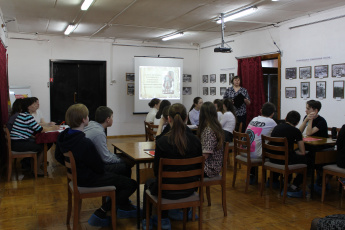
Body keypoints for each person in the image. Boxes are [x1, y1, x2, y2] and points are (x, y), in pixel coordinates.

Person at [54, 104, 137, 227]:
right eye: (87, 116)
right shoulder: (84, 143)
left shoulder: (63, 136)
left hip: (80, 176)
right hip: (89, 178)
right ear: (84, 119)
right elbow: (99, 168)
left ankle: (118, 204)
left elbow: (58, 156)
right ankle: (102, 212)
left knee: (120, 173)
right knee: (131, 184)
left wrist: (75, 168)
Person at [142, 103, 202, 230]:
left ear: (168, 119)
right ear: (186, 118)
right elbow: (198, 169)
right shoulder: (196, 141)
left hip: (166, 191)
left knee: (149, 182)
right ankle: (182, 212)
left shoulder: (162, 142)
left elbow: (157, 171)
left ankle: (159, 219)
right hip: (189, 190)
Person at [10, 97, 60, 176]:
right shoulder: (27, 116)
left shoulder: (23, 115)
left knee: (42, 143)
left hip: (17, 143)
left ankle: (33, 166)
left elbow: (35, 128)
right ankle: (36, 170)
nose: (36, 105)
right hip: (19, 144)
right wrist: (53, 128)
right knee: (43, 146)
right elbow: (40, 129)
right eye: (34, 104)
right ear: (29, 107)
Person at [84, 106, 132, 178]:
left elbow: (104, 153)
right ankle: (120, 185)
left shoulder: (91, 124)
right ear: (108, 119)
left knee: (120, 157)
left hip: (88, 164)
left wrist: (119, 157)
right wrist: (122, 160)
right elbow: (106, 159)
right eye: (112, 117)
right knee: (126, 166)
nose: (113, 119)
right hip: (93, 169)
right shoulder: (99, 133)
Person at [269, 110, 309, 197]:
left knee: (291, 155)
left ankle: (275, 180)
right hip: (284, 161)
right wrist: (296, 152)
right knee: (306, 160)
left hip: (272, 159)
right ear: (298, 122)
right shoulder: (296, 131)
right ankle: (294, 186)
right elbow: (302, 152)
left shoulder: (277, 127)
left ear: (286, 118)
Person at [245, 102, 277, 183]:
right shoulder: (271, 122)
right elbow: (278, 133)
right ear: (272, 114)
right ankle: (273, 180)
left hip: (245, 151)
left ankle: (252, 175)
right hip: (256, 154)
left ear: (261, 111)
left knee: (257, 143)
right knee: (275, 149)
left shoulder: (254, 119)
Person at [198, 102, 224, 177]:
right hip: (214, 166)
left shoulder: (208, 130)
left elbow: (205, 156)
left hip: (209, 168)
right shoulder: (215, 127)